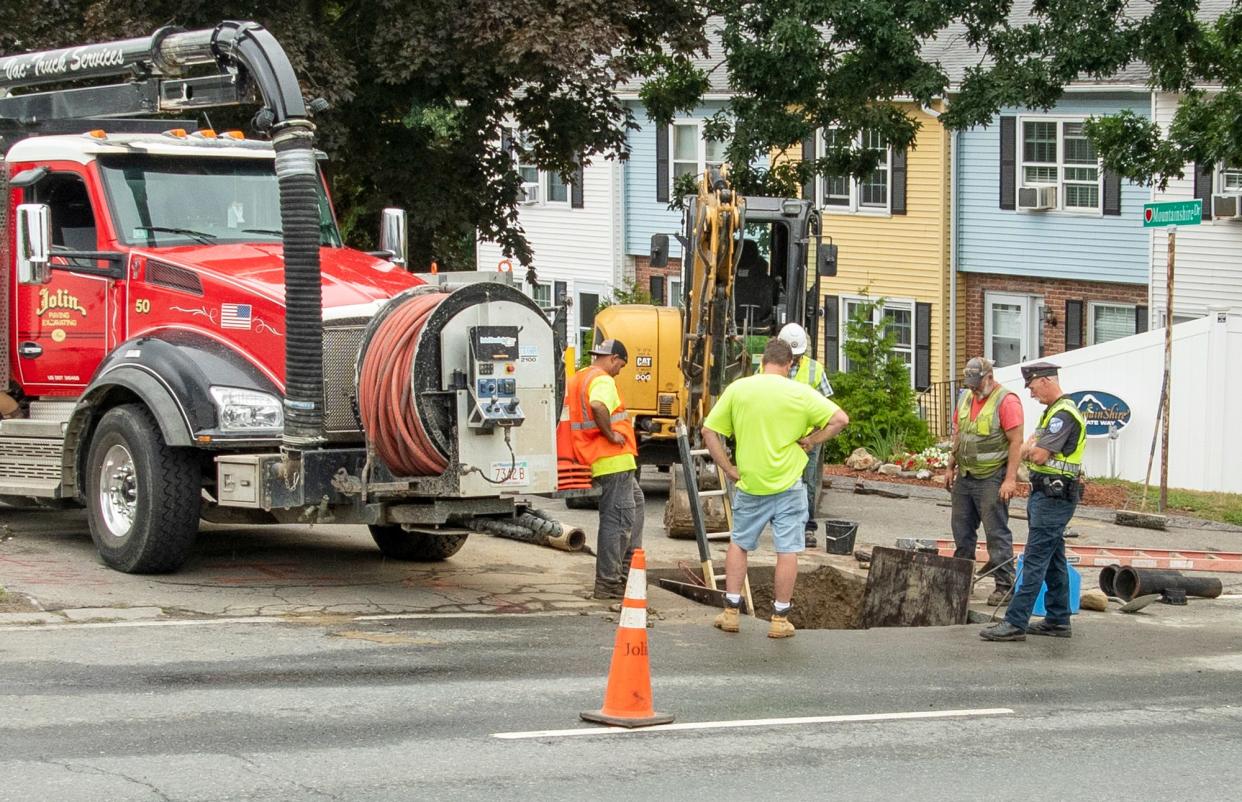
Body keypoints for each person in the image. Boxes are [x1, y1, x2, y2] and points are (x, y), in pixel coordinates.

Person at [702, 337, 849, 638]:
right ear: (790, 364)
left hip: (751, 483)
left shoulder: (740, 389)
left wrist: (728, 468)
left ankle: (731, 612)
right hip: (789, 485)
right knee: (788, 549)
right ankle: (780, 619)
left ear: (762, 361)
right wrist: (812, 440)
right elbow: (840, 419)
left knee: (739, 543)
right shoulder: (800, 393)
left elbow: (708, 431)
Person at [980, 362, 1086, 642]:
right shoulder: (1052, 413)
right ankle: (1058, 619)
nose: (1030, 393)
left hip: (1054, 497)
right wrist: (1030, 447)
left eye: (1033, 386)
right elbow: (1032, 445)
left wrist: (1029, 449)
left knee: (1036, 559)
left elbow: (1038, 454)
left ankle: (1015, 622)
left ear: (1047, 381)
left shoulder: (1063, 415)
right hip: (1048, 493)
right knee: (1054, 560)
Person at [564, 338, 644, 599]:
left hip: (595, 457)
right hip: (612, 459)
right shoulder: (602, 380)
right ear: (612, 359)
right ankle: (609, 583)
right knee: (618, 521)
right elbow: (599, 405)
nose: (620, 370)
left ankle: (627, 569)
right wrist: (610, 434)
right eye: (620, 364)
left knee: (637, 503)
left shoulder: (577, 378)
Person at [945, 357, 1023, 606]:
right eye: (970, 384)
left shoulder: (1006, 401)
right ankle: (962, 581)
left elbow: (1016, 442)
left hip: (991, 476)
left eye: (977, 384)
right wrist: (950, 466)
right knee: (962, 531)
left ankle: (1004, 586)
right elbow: (959, 433)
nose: (973, 389)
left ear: (989, 377)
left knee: (996, 532)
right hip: (966, 475)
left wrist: (1010, 479)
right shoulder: (966, 397)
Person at [775, 322, 835, 549]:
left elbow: (827, 409)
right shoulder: (768, 367)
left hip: (807, 439)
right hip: (778, 437)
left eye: (798, 355)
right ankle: (781, 524)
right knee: (779, 481)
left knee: (807, 483)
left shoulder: (814, 369)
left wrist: (814, 438)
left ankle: (807, 528)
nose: (795, 360)